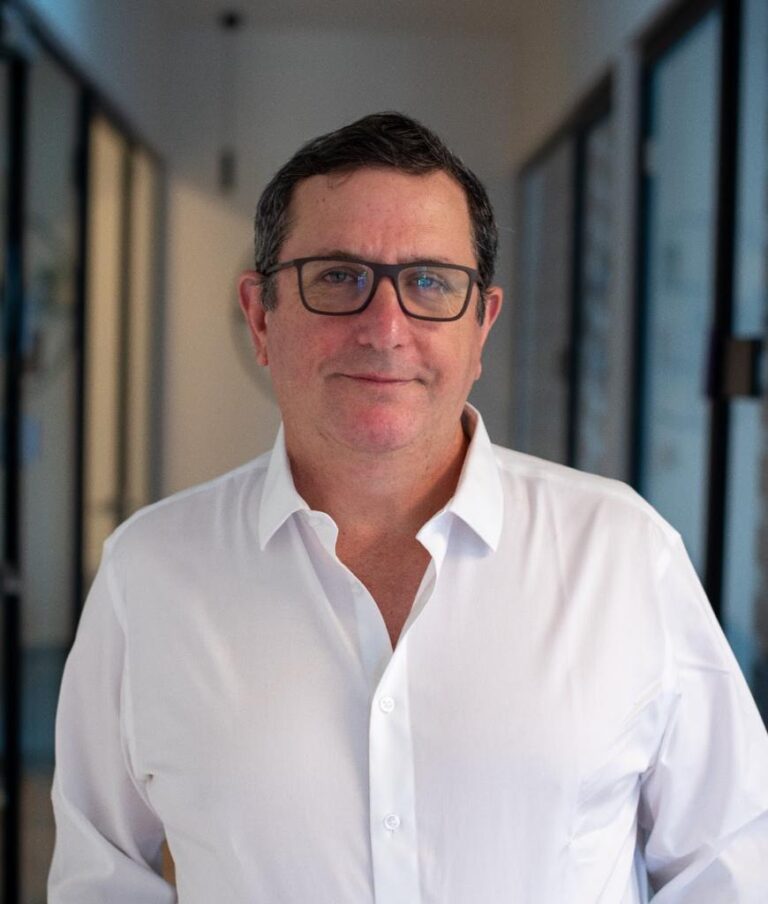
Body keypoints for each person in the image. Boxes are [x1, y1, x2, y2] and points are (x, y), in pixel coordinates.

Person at [48, 112, 768, 903]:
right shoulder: (149, 574)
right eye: (337, 277)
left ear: (481, 325)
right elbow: (100, 876)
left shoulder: (623, 554)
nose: (385, 329)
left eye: (430, 281)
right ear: (260, 317)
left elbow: (731, 866)